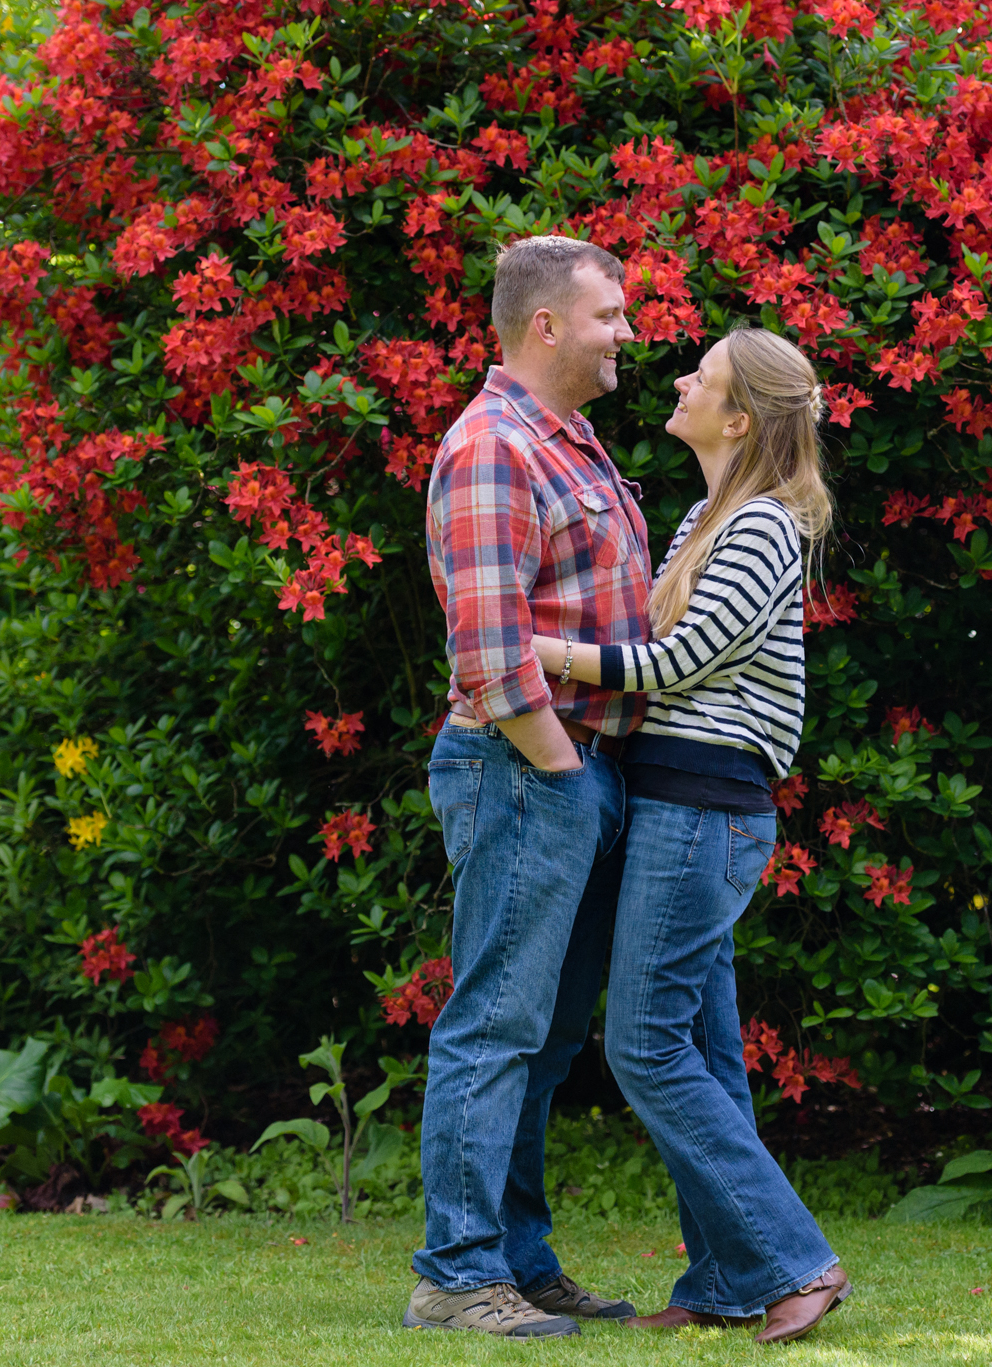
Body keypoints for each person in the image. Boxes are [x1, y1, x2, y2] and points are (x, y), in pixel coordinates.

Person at [528, 326, 850, 1345]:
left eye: (699, 376)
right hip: (678, 802)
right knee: (704, 1050)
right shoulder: (710, 517)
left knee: (644, 1042)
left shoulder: (758, 524)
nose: (677, 379)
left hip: (704, 807)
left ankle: (796, 1260)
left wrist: (536, 650)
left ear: (740, 415)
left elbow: (677, 659)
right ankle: (722, 1276)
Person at [407, 235, 651, 1338]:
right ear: (545, 324)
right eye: (609, 314)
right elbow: (492, 652)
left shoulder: (572, 444)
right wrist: (563, 774)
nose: (627, 333)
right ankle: (456, 1275)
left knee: (544, 1039)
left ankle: (518, 1256)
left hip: (576, 770)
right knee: (495, 1024)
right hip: (524, 770)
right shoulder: (494, 447)